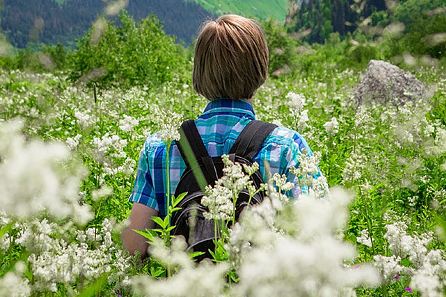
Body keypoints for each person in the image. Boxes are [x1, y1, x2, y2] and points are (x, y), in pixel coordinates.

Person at [121, 14, 322, 258]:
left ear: (200, 71)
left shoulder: (160, 147)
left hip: (185, 291)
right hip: (261, 291)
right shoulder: (286, 146)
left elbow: (134, 247)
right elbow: (318, 238)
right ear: (260, 69)